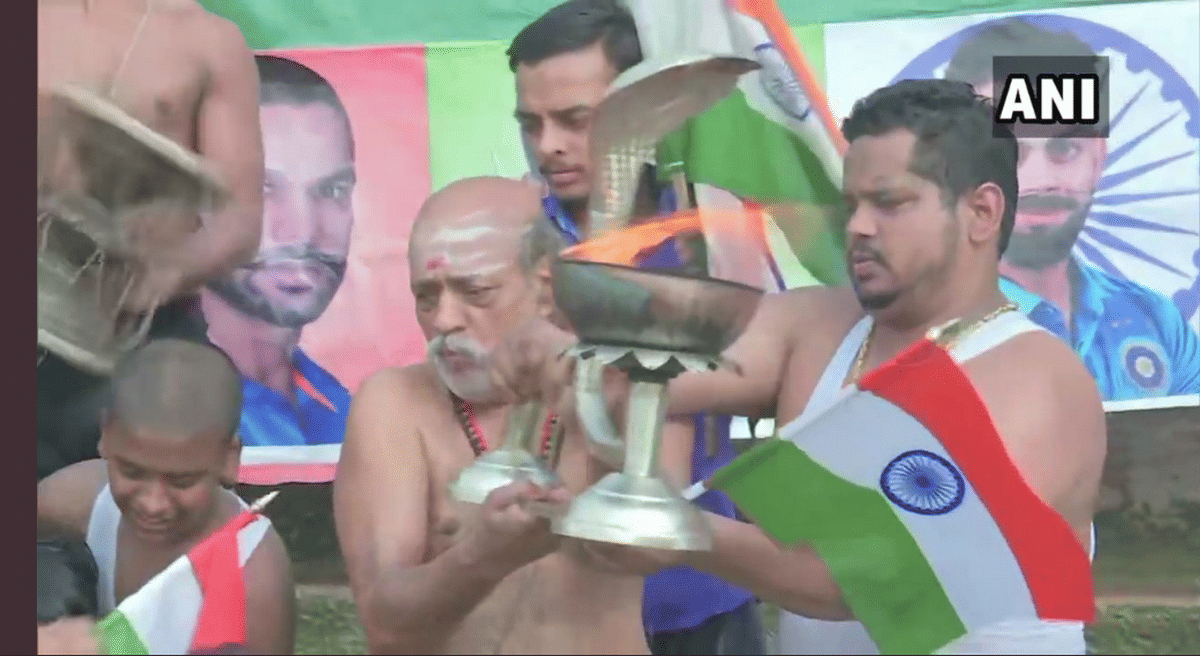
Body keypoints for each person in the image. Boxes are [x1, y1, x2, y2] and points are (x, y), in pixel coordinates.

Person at [491, 79, 1107, 654]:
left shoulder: (1039, 382)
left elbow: (885, 579)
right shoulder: (811, 327)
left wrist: (681, 530)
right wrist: (566, 344)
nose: (858, 227)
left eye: (889, 204)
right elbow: (657, 369)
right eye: (853, 203)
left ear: (981, 212)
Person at [506, 2, 789, 652]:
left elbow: (751, 380)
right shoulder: (513, 238)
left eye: (575, 119)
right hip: (562, 607)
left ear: (651, 101)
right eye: (532, 123)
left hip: (704, 598)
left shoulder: (714, 238)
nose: (548, 144)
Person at [333, 176, 696, 654]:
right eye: (426, 296)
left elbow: (651, 548)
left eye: (475, 292)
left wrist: (592, 410)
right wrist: (481, 556)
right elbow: (384, 624)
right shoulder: (394, 404)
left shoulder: (627, 379)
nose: (444, 321)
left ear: (546, 288)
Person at [37, 0, 264, 480]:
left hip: (143, 327)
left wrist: (165, 274)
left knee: (150, 513)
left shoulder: (208, 42)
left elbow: (241, 220)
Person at [943, 18, 1200, 401]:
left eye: (1064, 149)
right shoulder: (923, 336)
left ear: (1097, 159)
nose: (1040, 179)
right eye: (1010, 152)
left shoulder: (1158, 324)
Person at [36, 338, 296, 654]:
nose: (152, 503)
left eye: (182, 481)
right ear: (106, 436)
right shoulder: (76, 502)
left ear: (229, 459)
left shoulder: (254, 577)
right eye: (131, 472)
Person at [201, 55, 356, 448]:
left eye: (332, 190)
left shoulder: (343, 412)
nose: (303, 232)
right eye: (262, 189)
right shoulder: (151, 405)